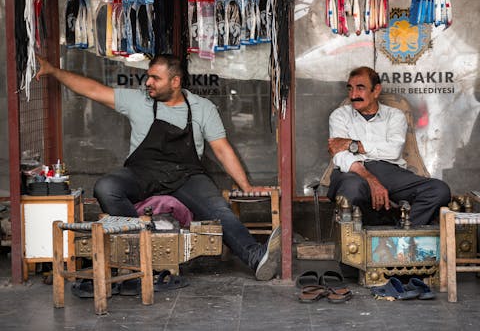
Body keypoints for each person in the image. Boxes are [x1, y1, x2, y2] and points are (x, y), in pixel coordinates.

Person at [35, 54, 281, 281]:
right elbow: (93, 90)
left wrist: (245, 185)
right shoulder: (137, 101)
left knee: (219, 210)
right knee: (106, 187)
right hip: (142, 173)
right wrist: (54, 71)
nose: (148, 82)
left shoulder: (201, 107)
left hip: (186, 175)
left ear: (175, 81)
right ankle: (143, 246)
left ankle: (255, 256)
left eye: (155, 78)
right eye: (148, 76)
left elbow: (221, 148)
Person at [327, 66, 450, 225]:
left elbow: (393, 150)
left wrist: (352, 145)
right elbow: (340, 155)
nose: (353, 95)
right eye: (350, 89)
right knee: (352, 188)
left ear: (376, 90)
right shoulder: (339, 116)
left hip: (390, 172)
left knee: (439, 190)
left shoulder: (394, 115)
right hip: (352, 171)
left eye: (360, 88)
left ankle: (401, 236)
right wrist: (370, 178)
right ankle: (358, 243)